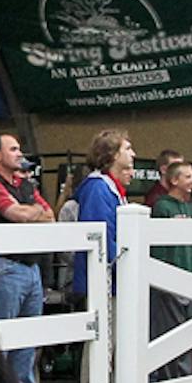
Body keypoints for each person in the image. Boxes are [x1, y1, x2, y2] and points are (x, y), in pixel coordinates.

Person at [0, 131, 52, 383]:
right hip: (4, 269)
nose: (20, 153)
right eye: (14, 149)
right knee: (4, 340)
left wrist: (29, 210)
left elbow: (50, 215)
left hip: (30, 269)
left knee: (28, 343)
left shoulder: (25, 185)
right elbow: (16, 215)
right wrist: (33, 211)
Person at [147, 158, 192, 381]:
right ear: (174, 180)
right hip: (170, 279)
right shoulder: (162, 206)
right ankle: (169, 380)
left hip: (191, 274)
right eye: (187, 176)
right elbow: (158, 246)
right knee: (169, 331)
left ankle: (185, 379)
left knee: (189, 332)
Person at [70, 127, 134, 305]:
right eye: (127, 149)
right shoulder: (97, 189)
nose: (133, 154)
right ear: (112, 154)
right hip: (102, 283)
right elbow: (103, 237)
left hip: (112, 281)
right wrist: (127, 269)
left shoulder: (109, 189)